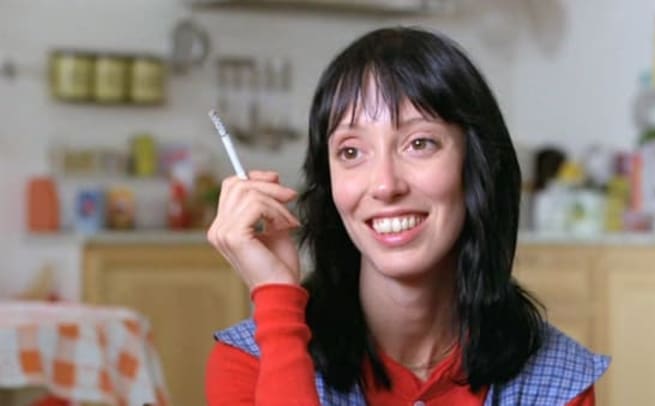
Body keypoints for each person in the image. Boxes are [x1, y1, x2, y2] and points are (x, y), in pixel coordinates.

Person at [205, 26, 610, 406]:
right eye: (351, 151)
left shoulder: (558, 381)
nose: (385, 185)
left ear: (478, 165)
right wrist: (276, 298)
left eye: (419, 143)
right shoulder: (250, 364)